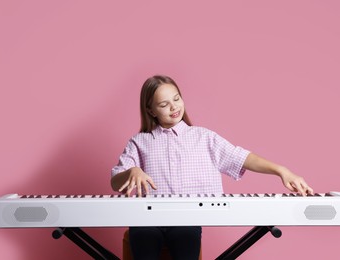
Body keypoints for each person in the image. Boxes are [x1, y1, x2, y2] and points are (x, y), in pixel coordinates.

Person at [111, 75, 313, 260]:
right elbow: (116, 181)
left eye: (177, 98)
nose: (174, 107)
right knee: (143, 235)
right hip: (148, 219)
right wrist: (132, 171)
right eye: (164, 104)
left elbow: (241, 157)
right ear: (150, 110)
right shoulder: (140, 142)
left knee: (186, 235)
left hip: (186, 220)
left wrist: (282, 171)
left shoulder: (204, 137)